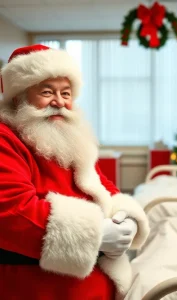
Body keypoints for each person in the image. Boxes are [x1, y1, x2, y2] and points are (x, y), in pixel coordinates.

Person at [0, 44, 150, 300]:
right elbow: (12, 211)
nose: (59, 102)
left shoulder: (67, 136)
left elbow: (100, 185)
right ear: (19, 97)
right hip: (36, 288)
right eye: (47, 92)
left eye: (66, 93)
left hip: (91, 284)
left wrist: (127, 219)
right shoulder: (6, 138)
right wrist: (96, 234)